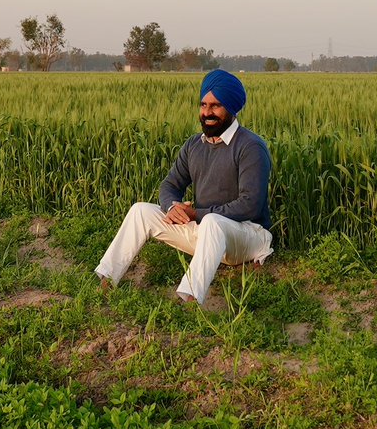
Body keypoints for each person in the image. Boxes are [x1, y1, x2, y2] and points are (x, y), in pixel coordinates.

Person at [95, 69, 273, 305]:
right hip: (207, 234)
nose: (207, 113)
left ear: (231, 108)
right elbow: (170, 184)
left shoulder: (250, 146)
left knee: (211, 222)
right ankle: (106, 280)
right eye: (203, 105)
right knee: (141, 210)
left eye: (215, 106)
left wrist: (195, 214)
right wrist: (172, 207)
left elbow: (250, 205)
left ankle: (189, 299)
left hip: (248, 236)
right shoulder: (194, 145)